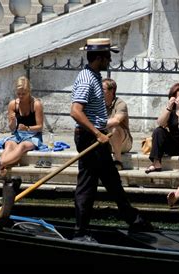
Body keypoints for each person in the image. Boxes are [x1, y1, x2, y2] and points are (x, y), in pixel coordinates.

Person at [70, 38, 153, 241]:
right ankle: (80, 232)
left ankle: (133, 219)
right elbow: (75, 111)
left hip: (97, 137)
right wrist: (97, 133)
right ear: (99, 57)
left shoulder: (95, 76)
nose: (109, 60)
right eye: (107, 56)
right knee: (87, 184)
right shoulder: (86, 78)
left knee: (112, 180)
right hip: (91, 138)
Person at [0, 76, 44, 176]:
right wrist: (12, 122)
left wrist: (27, 128)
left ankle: (1, 164)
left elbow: (40, 127)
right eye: (18, 94)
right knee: (8, 145)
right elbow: (12, 129)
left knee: (22, 146)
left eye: (23, 94)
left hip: (33, 136)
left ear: (29, 91)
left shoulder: (36, 104)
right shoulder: (13, 104)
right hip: (17, 134)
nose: (20, 96)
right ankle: (3, 165)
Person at [103, 78, 132, 171]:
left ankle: (118, 161)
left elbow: (116, 120)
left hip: (124, 141)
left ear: (111, 91)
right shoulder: (98, 104)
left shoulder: (120, 104)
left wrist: (96, 124)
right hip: (105, 140)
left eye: (102, 89)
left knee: (114, 128)